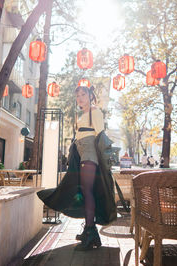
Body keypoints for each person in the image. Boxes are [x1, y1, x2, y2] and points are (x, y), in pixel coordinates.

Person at [37, 86, 116, 251]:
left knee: (87, 191)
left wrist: (105, 162)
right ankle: (91, 231)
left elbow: (101, 137)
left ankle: (90, 231)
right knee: (83, 191)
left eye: (83, 94)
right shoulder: (82, 115)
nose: (80, 98)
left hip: (89, 154)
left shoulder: (95, 112)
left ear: (90, 96)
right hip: (81, 154)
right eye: (77, 95)